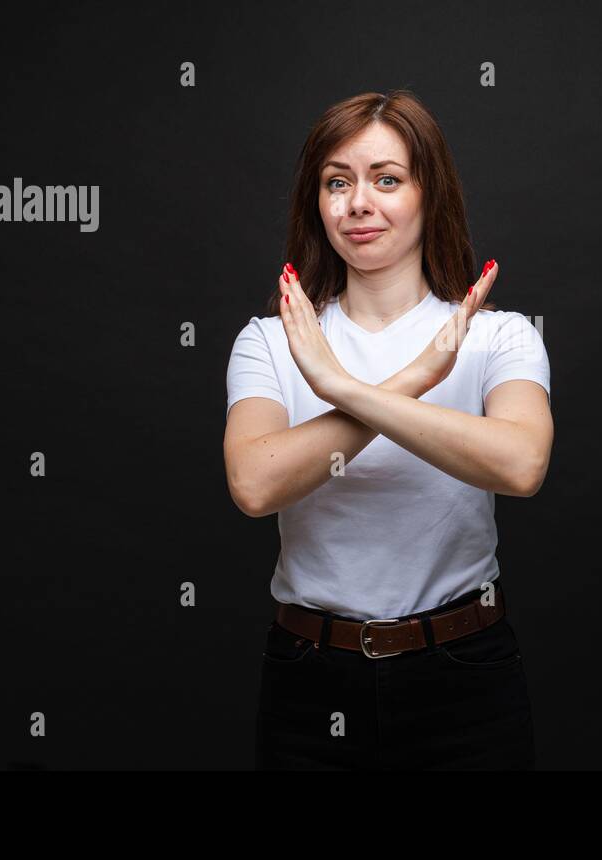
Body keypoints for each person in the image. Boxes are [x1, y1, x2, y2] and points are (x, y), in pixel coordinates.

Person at [223, 90, 553, 770]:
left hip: (464, 673)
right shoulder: (273, 341)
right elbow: (255, 484)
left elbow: (521, 465)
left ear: (429, 194)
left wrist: (340, 388)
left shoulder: (496, 336)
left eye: (387, 179)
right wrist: (409, 382)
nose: (357, 203)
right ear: (316, 202)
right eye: (336, 182)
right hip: (310, 678)